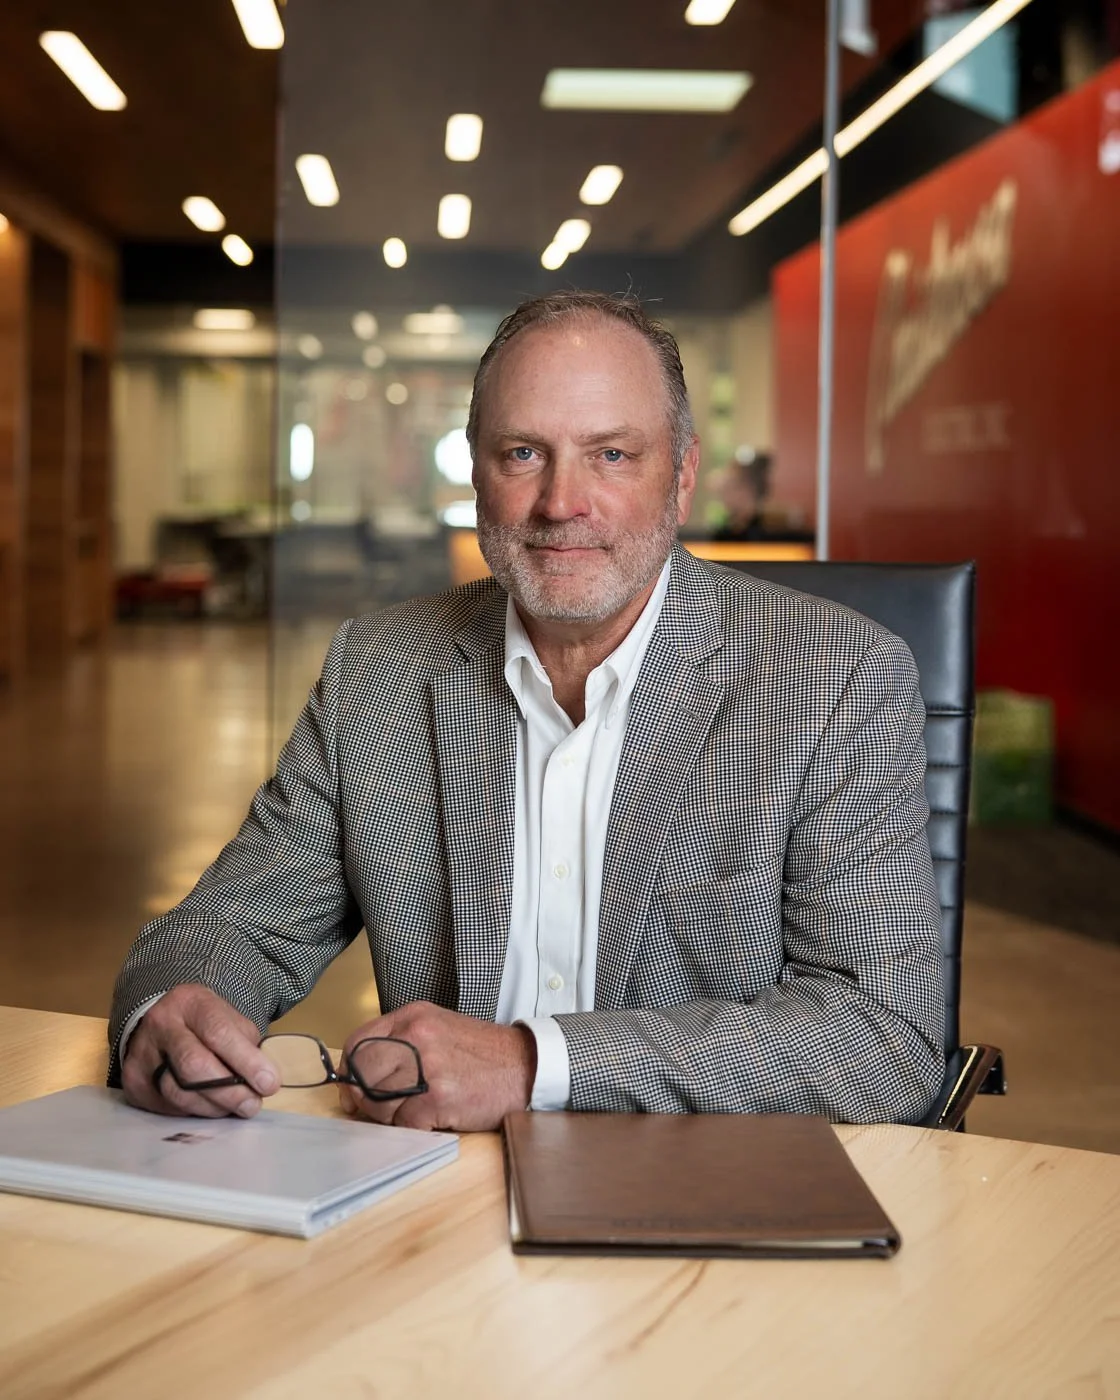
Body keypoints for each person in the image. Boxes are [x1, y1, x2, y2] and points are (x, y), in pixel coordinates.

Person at [110, 290, 945, 1131]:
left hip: (698, 1195)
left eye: (612, 455)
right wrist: (174, 1013)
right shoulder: (380, 671)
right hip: (435, 1191)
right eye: (522, 453)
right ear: (476, 471)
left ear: (683, 474)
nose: (560, 503)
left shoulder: (836, 680)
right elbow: (233, 923)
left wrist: (531, 1064)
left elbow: (881, 1037)